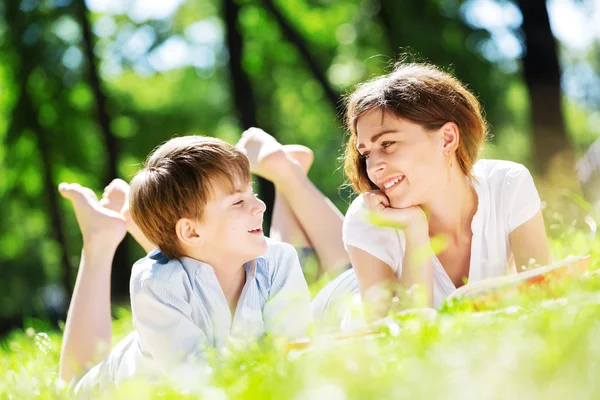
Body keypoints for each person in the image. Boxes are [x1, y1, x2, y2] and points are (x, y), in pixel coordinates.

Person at [57, 136, 314, 394]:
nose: (260, 206)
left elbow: (293, 350)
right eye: (238, 202)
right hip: (119, 387)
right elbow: (198, 384)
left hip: (170, 332)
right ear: (191, 232)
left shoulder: (279, 260)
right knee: (69, 388)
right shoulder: (154, 283)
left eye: (253, 194)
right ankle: (98, 240)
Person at [315, 62, 552, 324]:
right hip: (342, 314)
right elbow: (403, 341)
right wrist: (414, 230)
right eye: (366, 153)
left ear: (447, 139)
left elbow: (544, 301)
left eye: (388, 143)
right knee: (310, 266)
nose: (373, 166)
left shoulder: (508, 185)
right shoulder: (366, 217)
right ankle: (287, 173)